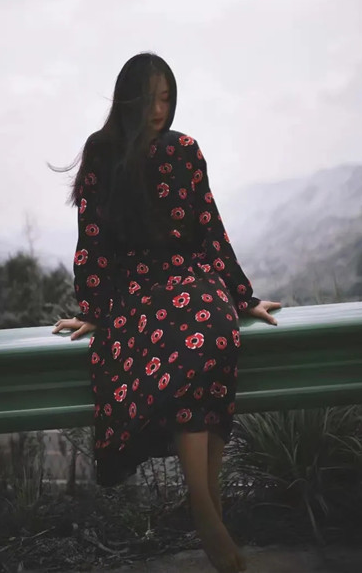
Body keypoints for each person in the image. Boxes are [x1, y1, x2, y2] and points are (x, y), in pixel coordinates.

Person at [53, 53, 280, 573]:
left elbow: (210, 227)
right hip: (138, 286)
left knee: (218, 334)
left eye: (167, 98)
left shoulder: (186, 150)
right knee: (189, 346)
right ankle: (205, 510)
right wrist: (95, 308)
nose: (160, 109)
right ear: (127, 99)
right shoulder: (102, 153)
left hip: (194, 277)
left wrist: (242, 296)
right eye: (150, 98)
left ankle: (205, 505)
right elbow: (92, 238)